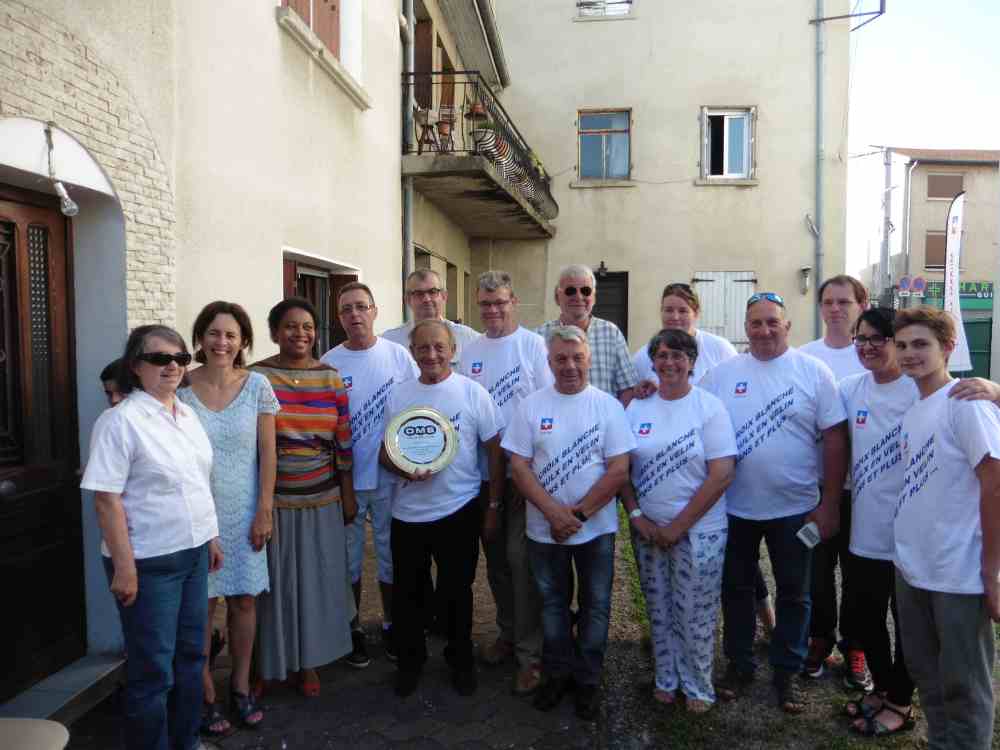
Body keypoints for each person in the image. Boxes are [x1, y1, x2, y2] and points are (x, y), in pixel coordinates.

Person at [700, 292, 847, 713]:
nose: (764, 330)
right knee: (736, 590)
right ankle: (740, 666)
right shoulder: (721, 375)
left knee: (796, 594)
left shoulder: (813, 372)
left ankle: (788, 672)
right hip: (733, 508)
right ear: (745, 328)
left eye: (772, 322)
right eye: (755, 323)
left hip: (796, 508)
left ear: (787, 327)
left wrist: (830, 502)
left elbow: (835, 439)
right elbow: (696, 421)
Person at [81, 325, 223, 750]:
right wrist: (124, 569)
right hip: (148, 563)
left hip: (194, 554)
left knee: (192, 658)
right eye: (160, 359)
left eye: (180, 358)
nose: (173, 367)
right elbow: (106, 500)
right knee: (152, 672)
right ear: (136, 366)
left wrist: (211, 539)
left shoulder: (186, 412)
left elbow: (199, 481)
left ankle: (186, 742)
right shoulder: (119, 422)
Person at [502, 325, 635, 720]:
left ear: (589, 359)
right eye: (561, 358)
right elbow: (519, 468)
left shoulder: (608, 406)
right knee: (553, 608)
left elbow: (619, 470)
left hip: (595, 531)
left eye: (577, 357)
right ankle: (556, 676)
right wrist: (553, 514)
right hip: (544, 532)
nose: (570, 365)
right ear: (549, 362)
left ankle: (588, 681)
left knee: (596, 608)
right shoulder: (531, 406)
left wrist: (576, 515)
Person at [632, 283, 773, 635]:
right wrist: (642, 391)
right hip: (672, 464)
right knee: (666, 583)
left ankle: (765, 621)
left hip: (715, 459)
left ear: (696, 312)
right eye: (669, 310)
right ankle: (665, 641)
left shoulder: (719, 348)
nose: (676, 316)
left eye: (683, 310)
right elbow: (639, 402)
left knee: (740, 567)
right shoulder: (643, 355)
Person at [892, 306, 1000, 749]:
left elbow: (994, 481)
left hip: (957, 573)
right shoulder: (916, 409)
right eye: (902, 346)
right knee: (928, 675)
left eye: (921, 344)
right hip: (915, 568)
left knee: (964, 686)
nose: (910, 354)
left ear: (948, 349)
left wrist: (991, 569)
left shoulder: (965, 405)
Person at [380, 319, 504, 698]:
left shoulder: (472, 393)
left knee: (456, 594)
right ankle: (411, 662)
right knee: (408, 595)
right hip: (408, 514)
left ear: (452, 350)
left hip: (459, 509)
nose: (431, 355)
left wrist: (494, 505)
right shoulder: (398, 395)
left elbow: (495, 451)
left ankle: (459, 660)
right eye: (422, 348)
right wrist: (402, 466)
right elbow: (386, 454)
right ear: (413, 352)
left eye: (439, 347)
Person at [621, 329, 735, 713]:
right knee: (659, 608)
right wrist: (636, 516)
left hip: (699, 532)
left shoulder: (709, 407)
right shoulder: (637, 407)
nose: (670, 363)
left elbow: (721, 473)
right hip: (648, 531)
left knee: (695, 611)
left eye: (679, 355)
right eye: (662, 355)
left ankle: (698, 686)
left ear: (692, 361)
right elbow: (621, 469)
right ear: (652, 361)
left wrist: (678, 526)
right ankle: (666, 678)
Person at [178, 301, 278, 733]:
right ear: (200, 337)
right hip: (195, 515)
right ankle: (205, 695)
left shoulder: (257, 386)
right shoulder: (178, 387)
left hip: (244, 514)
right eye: (214, 333)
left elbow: (268, 454)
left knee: (243, 601)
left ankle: (239, 687)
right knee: (200, 607)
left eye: (231, 335)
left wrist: (264, 510)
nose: (222, 342)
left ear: (243, 342)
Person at [250, 297, 358, 697]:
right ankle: (264, 666)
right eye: (291, 326)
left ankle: (308, 664)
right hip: (270, 502)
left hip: (322, 499)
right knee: (270, 587)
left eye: (308, 327)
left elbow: (344, 443)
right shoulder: (256, 377)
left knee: (315, 584)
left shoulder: (330, 378)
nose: (300, 334)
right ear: (275, 331)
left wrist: (347, 496)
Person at [458, 270, 552, 694]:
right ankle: (508, 632)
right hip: (480, 474)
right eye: (485, 304)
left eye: (500, 302)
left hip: (523, 474)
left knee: (521, 560)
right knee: (494, 562)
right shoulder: (471, 351)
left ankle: (532, 655)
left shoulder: (534, 347)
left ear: (515, 302)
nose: (492, 310)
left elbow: (550, 409)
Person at [321, 282, 417, 667]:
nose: (355, 315)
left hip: (393, 479)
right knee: (348, 560)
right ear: (339, 317)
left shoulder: (399, 357)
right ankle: (352, 628)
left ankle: (394, 624)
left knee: (393, 555)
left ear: (375, 311)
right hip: (346, 481)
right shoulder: (328, 362)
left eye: (362, 306)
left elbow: (416, 409)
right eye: (347, 309)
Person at [799, 275, 870, 689]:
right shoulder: (806, 358)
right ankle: (819, 639)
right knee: (817, 571)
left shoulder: (873, 355)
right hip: (818, 489)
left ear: (861, 305)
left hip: (864, 493)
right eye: (828, 301)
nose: (835, 309)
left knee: (860, 574)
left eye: (844, 301)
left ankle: (856, 646)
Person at [536, 264, 638, 405]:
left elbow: (627, 389)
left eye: (585, 291)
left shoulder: (611, 333)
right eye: (570, 291)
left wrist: (614, 419)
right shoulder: (539, 337)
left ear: (594, 297)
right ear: (558, 297)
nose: (578, 297)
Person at [382, 269, 479, 366]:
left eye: (432, 292)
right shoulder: (390, 342)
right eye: (418, 294)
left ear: (444, 296)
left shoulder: (468, 339)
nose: (426, 299)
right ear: (408, 300)